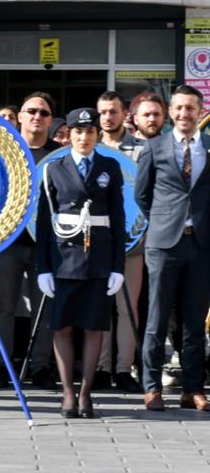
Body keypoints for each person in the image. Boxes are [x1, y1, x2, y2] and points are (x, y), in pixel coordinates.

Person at [35, 108, 126, 419]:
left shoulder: (109, 167)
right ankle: (68, 393)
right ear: (68, 135)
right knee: (61, 326)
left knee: (94, 327)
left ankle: (86, 393)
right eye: (78, 132)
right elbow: (44, 221)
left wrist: (118, 267)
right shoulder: (53, 169)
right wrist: (43, 267)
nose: (84, 137)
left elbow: (118, 218)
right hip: (63, 257)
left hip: (98, 258)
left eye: (89, 132)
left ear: (96, 134)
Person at [136, 85, 209, 412]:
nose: (184, 114)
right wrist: (165, 218)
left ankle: (193, 388)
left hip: (201, 243)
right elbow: (142, 195)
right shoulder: (154, 147)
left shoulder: (208, 147)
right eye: (178, 108)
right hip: (164, 243)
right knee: (156, 317)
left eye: (190, 108)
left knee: (194, 321)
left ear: (199, 111)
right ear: (171, 111)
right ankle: (152, 387)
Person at [0, 91, 57, 389]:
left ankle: (40, 366)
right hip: (9, 243)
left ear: (51, 119)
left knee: (44, 308)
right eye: (31, 111)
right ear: (19, 116)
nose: (37, 117)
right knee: (4, 306)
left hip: (46, 245)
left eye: (43, 113)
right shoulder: (3, 153)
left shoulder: (59, 156)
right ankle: (2, 365)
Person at [94, 90, 144, 393]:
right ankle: (101, 368)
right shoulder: (91, 148)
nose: (107, 117)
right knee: (101, 307)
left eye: (113, 111)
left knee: (128, 308)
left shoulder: (142, 149)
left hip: (133, 242)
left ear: (125, 113)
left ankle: (124, 369)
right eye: (103, 112)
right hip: (99, 241)